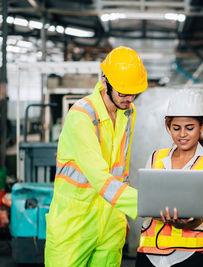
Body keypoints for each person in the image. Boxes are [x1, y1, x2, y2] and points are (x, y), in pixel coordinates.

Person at [45, 46, 148, 266]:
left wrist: (121, 215)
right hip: (76, 223)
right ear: (104, 82)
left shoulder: (128, 112)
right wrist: (146, 205)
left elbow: (122, 167)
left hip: (111, 221)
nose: (129, 98)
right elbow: (99, 176)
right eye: (123, 92)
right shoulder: (81, 116)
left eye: (134, 93)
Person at [136, 89, 203, 267]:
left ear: (202, 126)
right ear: (169, 127)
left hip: (189, 257)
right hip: (150, 255)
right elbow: (145, 202)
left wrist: (186, 223)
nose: (182, 134)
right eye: (176, 128)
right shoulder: (155, 158)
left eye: (189, 128)